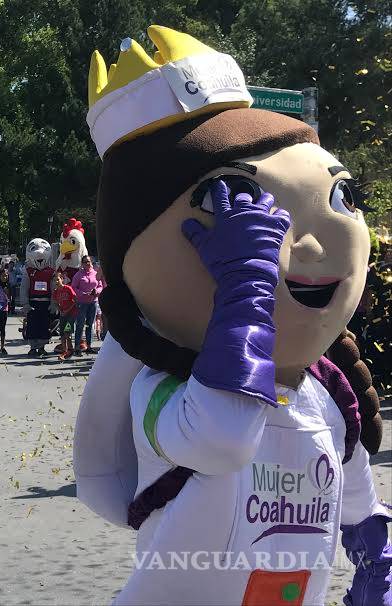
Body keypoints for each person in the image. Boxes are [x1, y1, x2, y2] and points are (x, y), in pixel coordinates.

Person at [74, 26, 389, 606]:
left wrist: (376, 555)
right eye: (239, 199)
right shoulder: (162, 395)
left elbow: (356, 501)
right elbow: (221, 437)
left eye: (340, 199)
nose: (311, 241)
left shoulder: (328, 398)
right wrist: (245, 291)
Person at [71, 255, 99, 355]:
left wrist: (97, 291)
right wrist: (82, 294)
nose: (87, 263)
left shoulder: (96, 274)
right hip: (82, 303)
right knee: (80, 325)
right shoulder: (78, 275)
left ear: (92, 262)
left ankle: (89, 346)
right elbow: (73, 288)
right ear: (82, 264)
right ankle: (77, 347)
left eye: (89, 261)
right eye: (85, 262)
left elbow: (100, 285)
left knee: (90, 325)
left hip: (93, 302)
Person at [52, 272, 77, 360]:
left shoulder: (68, 289)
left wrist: (67, 310)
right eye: (55, 280)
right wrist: (61, 310)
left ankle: (70, 350)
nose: (56, 282)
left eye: (58, 279)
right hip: (63, 314)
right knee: (62, 333)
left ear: (62, 279)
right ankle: (64, 350)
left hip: (71, 314)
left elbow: (75, 301)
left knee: (67, 332)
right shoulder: (55, 292)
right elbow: (56, 303)